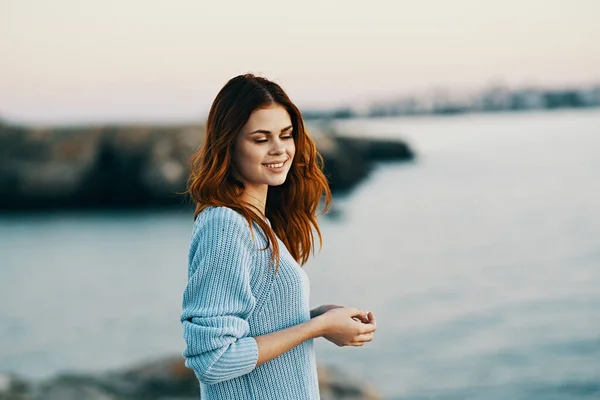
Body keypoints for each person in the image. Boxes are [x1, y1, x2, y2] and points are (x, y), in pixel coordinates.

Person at [180, 73, 377, 400]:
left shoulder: (258, 223)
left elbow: (252, 328)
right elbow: (214, 360)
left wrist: (316, 317)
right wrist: (318, 328)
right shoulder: (226, 225)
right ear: (228, 145)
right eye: (260, 139)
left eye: (285, 135)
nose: (280, 150)